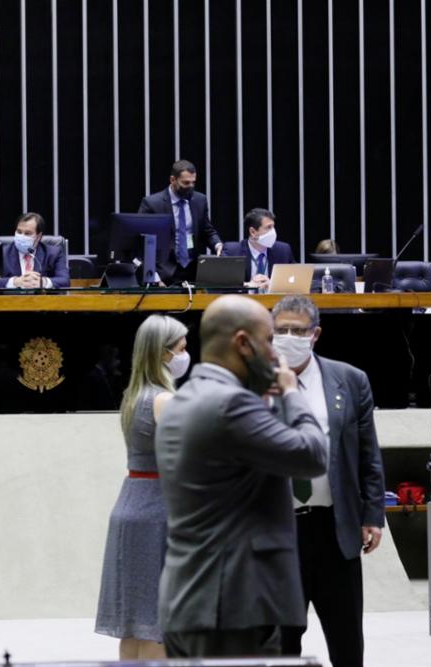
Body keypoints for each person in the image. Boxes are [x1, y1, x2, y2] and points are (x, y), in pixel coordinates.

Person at [155, 295, 327, 657]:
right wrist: (292, 394)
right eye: (269, 340)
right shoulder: (230, 405)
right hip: (232, 604)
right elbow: (311, 455)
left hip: (190, 598)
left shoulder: (184, 399)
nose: (276, 353)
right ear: (243, 344)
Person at [270, 295, 385, 667]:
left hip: (334, 528)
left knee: (346, 638)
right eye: (281, 330)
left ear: (315, 334)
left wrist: (373, 515)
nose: (289, 337)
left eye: (297, 330)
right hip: (276, 531)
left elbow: (368, 454)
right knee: (281, 641)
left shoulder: (349, 380)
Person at [95, 315, 189, 660]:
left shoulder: (133, 396)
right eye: (181, 348)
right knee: (158, 625)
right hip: (159, 511)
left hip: (131, 505)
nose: (185, 354)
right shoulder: (165, 401)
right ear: (164, 354)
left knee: (134, 626)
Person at [138, 160, 224, 285]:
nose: (191, 186)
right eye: (186, 183)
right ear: (173, 180)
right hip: (164, 272)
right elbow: (141, 242)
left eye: (193, 182)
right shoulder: (152, 204)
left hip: (194, 270)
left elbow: (207, 230)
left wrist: (217, 245)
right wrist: (153, 276)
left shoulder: (199, 200)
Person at [0, 212, 70, 289]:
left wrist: (42, 282)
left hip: (43, 304)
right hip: (9, 304)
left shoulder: (53, 253)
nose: (22, 236)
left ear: (39, 236)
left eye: (27, 233)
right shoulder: (1, 253)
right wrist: (14, 282)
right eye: (19, 232)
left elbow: (64, 280)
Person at [222, 208, 296, 288]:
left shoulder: (283, 250)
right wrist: (247, 285)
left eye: (273, 227)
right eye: (268, 227)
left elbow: (296, 280)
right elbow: (220, 283)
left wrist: (273, 284)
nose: (273, 232)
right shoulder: (232, 251)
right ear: (253, 232)